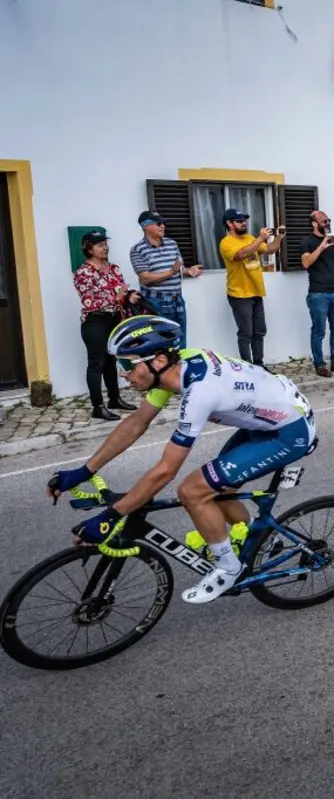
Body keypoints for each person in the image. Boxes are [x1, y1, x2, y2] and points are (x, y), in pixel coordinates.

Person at [47, 315, 317, 604]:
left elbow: (166, 470)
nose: (123, 374)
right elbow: (137, 422)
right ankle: (265, 538)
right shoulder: (176, 367)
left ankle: (229, 569)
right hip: (266, 421)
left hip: (289, 433)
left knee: (193, 491)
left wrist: (110, 517)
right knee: (220, 490)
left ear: (159, 361)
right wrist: (85, 471)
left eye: (127, 364)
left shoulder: (200, 391)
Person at [73, 230, 142, 420]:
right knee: (97, 363)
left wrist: (129, 295)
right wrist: (116, 297)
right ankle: (98, 406)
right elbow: (89, 301)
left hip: (114, 319)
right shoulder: (83, 272)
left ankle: (114, 398)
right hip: (95, 321)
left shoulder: (113, 268)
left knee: (112, 360)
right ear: (89, 249)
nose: (105, 248)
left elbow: (121, 291)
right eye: (100, 245)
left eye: (105, 244)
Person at [219, 209, 285, 369]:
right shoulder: (226, 243)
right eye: (239, 221)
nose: (244, 223)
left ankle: (259, 365)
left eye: (244, 220)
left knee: (259, 331)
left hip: (256, 291)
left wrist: (279, 237)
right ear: (229, 223)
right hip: (239, 294)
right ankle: (247, 368)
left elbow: (270, 249)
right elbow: (241, 254)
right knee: (245, 333)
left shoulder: (249, 238)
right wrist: (260, 238)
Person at [129, 211, 202, 348]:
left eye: (163, 223)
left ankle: (180, 362)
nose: (163, 226)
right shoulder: (137, 249)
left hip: (177, 300)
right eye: (158, 223)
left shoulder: (172, 244)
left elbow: (179, 268)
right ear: (146, 226)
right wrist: (171, 272)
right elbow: (145, 278)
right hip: (156, 302)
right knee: (162, 343)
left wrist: (188, 271)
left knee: (180, 340)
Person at [300, 210, 334, 377]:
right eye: (324, 221)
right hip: (318, 293)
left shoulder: (333, 241)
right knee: (319, 331)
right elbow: (306, 263)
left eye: (328, 220)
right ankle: (319, 364)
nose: (327, 223)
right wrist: (321, 246)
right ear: (314, 223)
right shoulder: (307, 241)